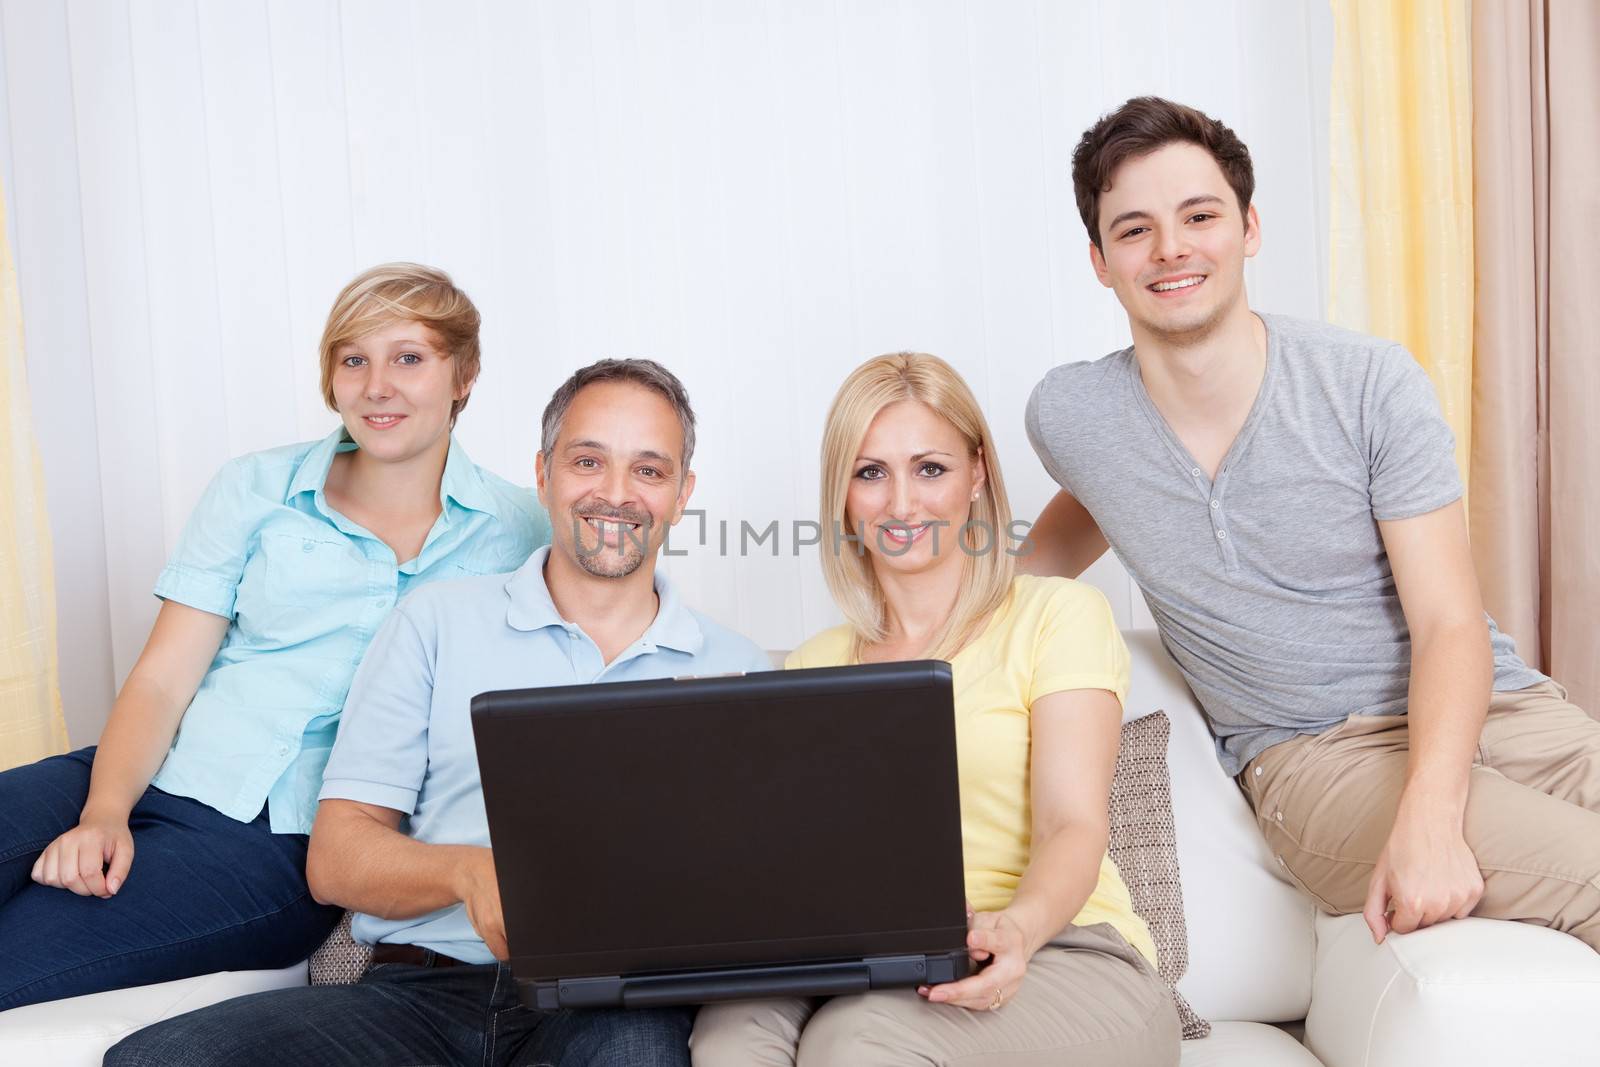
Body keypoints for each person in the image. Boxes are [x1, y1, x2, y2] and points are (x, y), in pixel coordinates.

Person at [1024, 95, 1600, 950]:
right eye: (1135, 229)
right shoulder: (1074, 414)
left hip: (1503, 710)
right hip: (1320, 760)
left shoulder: (1367, 383)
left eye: (1200, 215)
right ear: (1100, 261)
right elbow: (1077, 520)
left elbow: (1448, 623)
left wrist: (1433, 813)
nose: (1172, 247)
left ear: (1249, 228)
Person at [105, 358, 772, 1067]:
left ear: (681, 493)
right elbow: (335, 860)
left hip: (614, 1008)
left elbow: (762, 891)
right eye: (587, 460)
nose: (615, 493)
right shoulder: (437, 622)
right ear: (543, 475)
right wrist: (467, 873)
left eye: (648, 469)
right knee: (162, 1058)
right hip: (418, 992)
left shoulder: (736, 667)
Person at [0, 263, 548, 1010]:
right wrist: (104, 812)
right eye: (354, 359)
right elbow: (163, 678)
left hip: (273, 844)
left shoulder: (523, 530)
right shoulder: (254, 486)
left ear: (465, 375)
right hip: (146, 769)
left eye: (409, 357)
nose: (377, 384)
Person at [692, 352, 1181, 1067]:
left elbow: (1070, 823)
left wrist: (1017, 926)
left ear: (977, 473)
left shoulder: (1056, 614)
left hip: (1066, 948)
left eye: (930, 468)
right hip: (878, 966)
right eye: (870, 472)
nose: (901, 503)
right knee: (728, 1035)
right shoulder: (812, 663)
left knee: (853, 1043)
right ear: (843, 493)